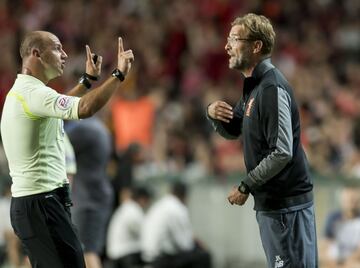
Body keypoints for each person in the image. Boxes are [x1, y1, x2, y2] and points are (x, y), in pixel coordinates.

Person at [0, 30, 134, 268]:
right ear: (36, 54)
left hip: (34, 206)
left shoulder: (24, 93)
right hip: (42, 206)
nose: (64, 55)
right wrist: (119, 74)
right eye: (57, 48)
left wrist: (87, 80)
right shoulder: (34, 93)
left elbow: (63, 109)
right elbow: (83, 109)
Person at [206, 13, 317, 268]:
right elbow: (234, 129)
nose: (226, 46)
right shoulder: (254, 86)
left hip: (287, 208)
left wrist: (246, 185)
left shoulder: (271, 88)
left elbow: (282, 151)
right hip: (274, 208)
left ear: (256, 46)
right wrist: (212, 114)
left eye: (234, 39)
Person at [66, 116, 114, 268]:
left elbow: (53, 142)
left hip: (88, 200)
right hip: (93, 196)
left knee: (87, 252)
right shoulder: (99, 126)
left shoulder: (84, 129)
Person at [141, 182, 211, 268]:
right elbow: (185, 245)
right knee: (204, 256)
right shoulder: (177, 207)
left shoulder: (161, 204)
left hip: (147, 256)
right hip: (158, 260)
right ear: (184, 195)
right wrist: (200, 246)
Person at [106, 186, 152, 268]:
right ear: (142, 199)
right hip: (125, 255)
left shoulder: (126, 207)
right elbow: (144, 233)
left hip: (115, 255)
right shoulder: (133, 209)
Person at [319, 186, 360, 267]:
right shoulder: (333, 218)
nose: (351, 202)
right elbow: (324, 244)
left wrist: (346, 263)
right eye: (348, 199)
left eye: (354, 200)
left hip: (353, 262)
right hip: (334, 260)